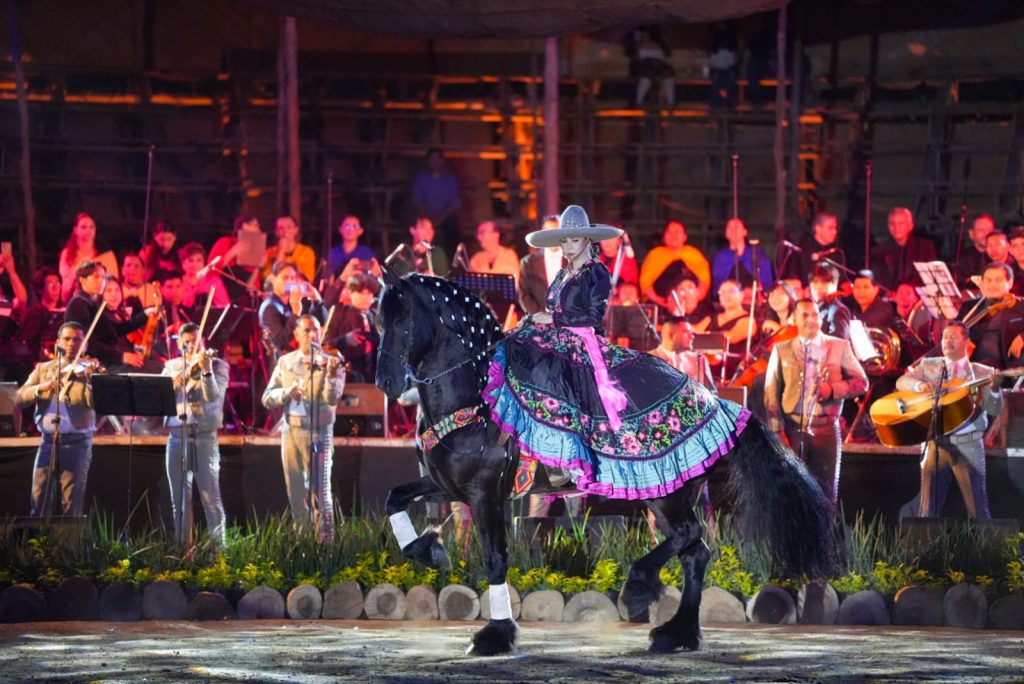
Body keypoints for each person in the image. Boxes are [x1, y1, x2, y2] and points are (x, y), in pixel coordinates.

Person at [484, 205, 748, 502]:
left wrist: (552, 318)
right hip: (555, 336)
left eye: (574, 240)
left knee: (559, 378)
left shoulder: (596, 272)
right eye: (564, 240)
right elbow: (552, 309)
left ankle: (570, 459)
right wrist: (535, 320)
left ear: (587, 240)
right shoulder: (563, 273)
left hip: (581, 341)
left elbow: (593, 317)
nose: (568, 246)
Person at [764, 298, 868, 504]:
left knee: (826, 493)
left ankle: (825, 526)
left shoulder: (839, 346)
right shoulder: (781, 349)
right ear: (794, 319)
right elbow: (771, 392)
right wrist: (777, 431)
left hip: (826, 428)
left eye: (815, 314)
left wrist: (832, 390)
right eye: (805, 315)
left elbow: (862, 382)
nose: (811, 319)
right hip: (792, 428)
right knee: (791, 492)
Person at [896, 321, 1001, 518]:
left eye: (953, 336)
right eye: (945, 337)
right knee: (927, 511)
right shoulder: (929, 365)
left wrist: (994, 389)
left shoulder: (983, 372)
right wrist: (919, 386)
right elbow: (902, 381)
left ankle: (984, 539)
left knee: (977, 510)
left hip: (968, 444)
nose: (947, 341)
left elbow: (995, 408)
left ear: (967, 342)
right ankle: (926, 539)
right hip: (935, 444)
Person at [262, 314, 346, 541]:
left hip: (318, 432)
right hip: (291, 431)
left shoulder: (331, 360)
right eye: (307, 330)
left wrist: (330, 375)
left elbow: (332, 398)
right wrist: (284, 393)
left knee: (320, 492)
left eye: (316, 330)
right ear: (296, 334)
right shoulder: (286, 362)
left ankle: (325, 544)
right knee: (296, 492)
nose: (313, 335)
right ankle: (303, 543)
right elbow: (267, 397)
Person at [15, 322, 98, 516]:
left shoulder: (88, 371)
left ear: (85, 345)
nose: (71, 344)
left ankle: (69, 537)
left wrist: (90, 381)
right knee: (39, 498)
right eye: (67, 339)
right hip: (47, 441)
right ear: (58, 342)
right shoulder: (44, 369)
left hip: (77, 443)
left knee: (71, 502)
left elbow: (95, 403)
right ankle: (40, 536)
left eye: (77, 340)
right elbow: (19, 397)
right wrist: (40, 388)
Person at [162, 323, 230, 546]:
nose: (191, 346)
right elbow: (160, 399)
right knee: (179, 500)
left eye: (195, 342)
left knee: (211, 498)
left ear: (202, 342)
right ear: (179, 344)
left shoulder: (217, 365)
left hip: (203, 437)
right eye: (186, 343)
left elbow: (213, 396)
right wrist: (172, 384)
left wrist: (206, 371)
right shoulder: (171, 366)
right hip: (176, 436)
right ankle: (184, 551)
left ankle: (220, 552)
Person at [64, 262, 147, 370]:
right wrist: (121, 356)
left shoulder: (91, 302)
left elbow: (114, 330)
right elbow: (87, 342)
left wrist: (145, 315)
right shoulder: (78, 303)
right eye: (96, 277)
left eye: (103, 277)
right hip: (93, 365)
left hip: (106, 361)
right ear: (82, 280)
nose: (101, 281)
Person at [957, 262, 1024, 371]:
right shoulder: (969, 307)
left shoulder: (1020, 306)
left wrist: (1022, 336)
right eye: (988, 280)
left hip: (1006, 369)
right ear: (982, 284)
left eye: (998, 280)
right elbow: (953, 331)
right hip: (972, 367)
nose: (993, 285)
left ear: (1010, 283)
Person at [259, 261, 327, 358]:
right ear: (273, 279)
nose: (290, 282)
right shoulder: (269, 307)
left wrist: (316, 299)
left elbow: (322, 322)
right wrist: (295, 312)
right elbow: (280, 342)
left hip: (303, 357)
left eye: (292, 278)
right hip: (283, 363)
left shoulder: (295, 301)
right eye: (285, 278)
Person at [639, 219, 712, 309]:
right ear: (664, 237)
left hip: (692, 304)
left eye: (677, 232)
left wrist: (695, 299)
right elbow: (645, 282)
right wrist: (655, 298)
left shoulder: (694, 254)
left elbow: (704, 281)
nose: (673, 235)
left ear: (685, 237)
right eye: (669, 232)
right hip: (661, 303)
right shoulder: (655, 254)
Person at [325, 274, 380, 383]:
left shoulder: (376, 316)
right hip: (348, 378)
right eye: (360, 293)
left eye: (369, 293)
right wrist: (344, 339)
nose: (365, 297)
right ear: (350, 293)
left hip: (374, 379)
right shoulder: (339, 314)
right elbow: (325, 347)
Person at [58, 213, 119, 304]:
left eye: (91, 227)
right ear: (75, 230)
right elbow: (66, 285)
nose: (88, 230)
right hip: (75, 300)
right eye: (83, 227)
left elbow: (113, 281)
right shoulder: (68, 254)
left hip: (101, 302)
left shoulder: (104, 254)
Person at [411, 148, 462, 258]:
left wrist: (440, 219)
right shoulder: (421, 178)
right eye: (432, 159)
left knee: (453, 228)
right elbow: (417, 201)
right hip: (425, 217)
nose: (435, 162)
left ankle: (452, 262)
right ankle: (418, 259)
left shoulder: (450, 179)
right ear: (428, 161)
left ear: (442, 161)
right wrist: (428, 220)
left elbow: (454, 203)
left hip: (445, 218)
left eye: (437, 159)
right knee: (417, 227)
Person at [871, 207, 937, 290]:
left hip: (917, 294)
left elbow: (931, 278)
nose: (896, 227)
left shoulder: (925, 247)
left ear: (910, 226)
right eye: (892, 223)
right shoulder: (879, 251)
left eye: (901, 223)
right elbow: (879, 281)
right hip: (891, 295)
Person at [710, 218, 773, 299]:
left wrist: (755, 290)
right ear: (726, 233)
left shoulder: (756, 253)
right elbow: (718, 284)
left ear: (745, 232)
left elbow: (765, 279)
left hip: (754, 299)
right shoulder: (721, 257)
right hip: (729, 299)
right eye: (730, 227)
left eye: (736, 227)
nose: (733, 230)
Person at [648, 318, 715, 390]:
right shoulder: (648, 360)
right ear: (671, 335)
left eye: (691, 333)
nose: (692, 337)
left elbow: (711, 392)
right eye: (687, 332)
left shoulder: (699, 360)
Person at [208, 214, 267, 294]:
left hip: (244, 296)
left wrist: (258, 267)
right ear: (245, 226)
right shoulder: (225, 242)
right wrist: (232, 252)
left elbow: (251, 287)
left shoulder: (257, 252)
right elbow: (210, 270)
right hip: (223, 293)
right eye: (256, 226)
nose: (259, 230)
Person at [781, 212, 846, 283]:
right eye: (830, 228)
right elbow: (793, 279)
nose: (835, 232)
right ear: (818, 229)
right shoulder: (802, 251)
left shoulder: (836, 251)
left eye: (835, 228)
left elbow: (842, 279)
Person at [18, 267, 65, 363]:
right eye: (51, 284)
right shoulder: (32, 314)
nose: (56, 288)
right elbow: (27, 343)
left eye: (58, 284)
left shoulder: (66, 312)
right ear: (40, 289)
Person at [517, 216, 562, 316]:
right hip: (539, 320)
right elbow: (524, 295)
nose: (552, 236)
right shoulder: (528, 263)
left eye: (556, 231)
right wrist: (541, 317)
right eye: (548, 231)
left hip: (568, 321)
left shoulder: (574, 261)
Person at [624, 25, 675, 108]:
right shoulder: (636, 46)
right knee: (646, 78)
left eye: (647, 35)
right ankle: (638, 102)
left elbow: (665, 56)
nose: (645, 37)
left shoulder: (658, 45)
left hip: (658, 65)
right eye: (643, 36)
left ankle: (671, 103)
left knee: (668, 77)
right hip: (645, 65)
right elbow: (634, 57)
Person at [262, 216, 317, 283]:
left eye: (289, 227)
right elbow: (270, 279)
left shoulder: (306, 252)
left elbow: (308, 278)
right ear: (276, 232)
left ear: (296, 230)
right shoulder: (269, 252)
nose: (285, 231)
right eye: (281, 228)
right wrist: (281, 250)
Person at [179, 242, 230, 309]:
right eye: (191, 260)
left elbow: (225, 306)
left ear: (204, 263)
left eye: (199, 260)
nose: (195, 264)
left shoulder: (214, 282)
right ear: (183, 263)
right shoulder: (178, 283)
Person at [808, 263, 852, 341]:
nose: (819, 287)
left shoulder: (838, 310)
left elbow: (839, 342)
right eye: (815, 282)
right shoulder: (814, 308)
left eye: (824, 282)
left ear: (835, 284)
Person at [957, 213, 996, 285]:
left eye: (989, 230)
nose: (986, 234)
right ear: (971, 234)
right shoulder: (962, 257)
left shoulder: (1000, 255)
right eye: (981, 230)